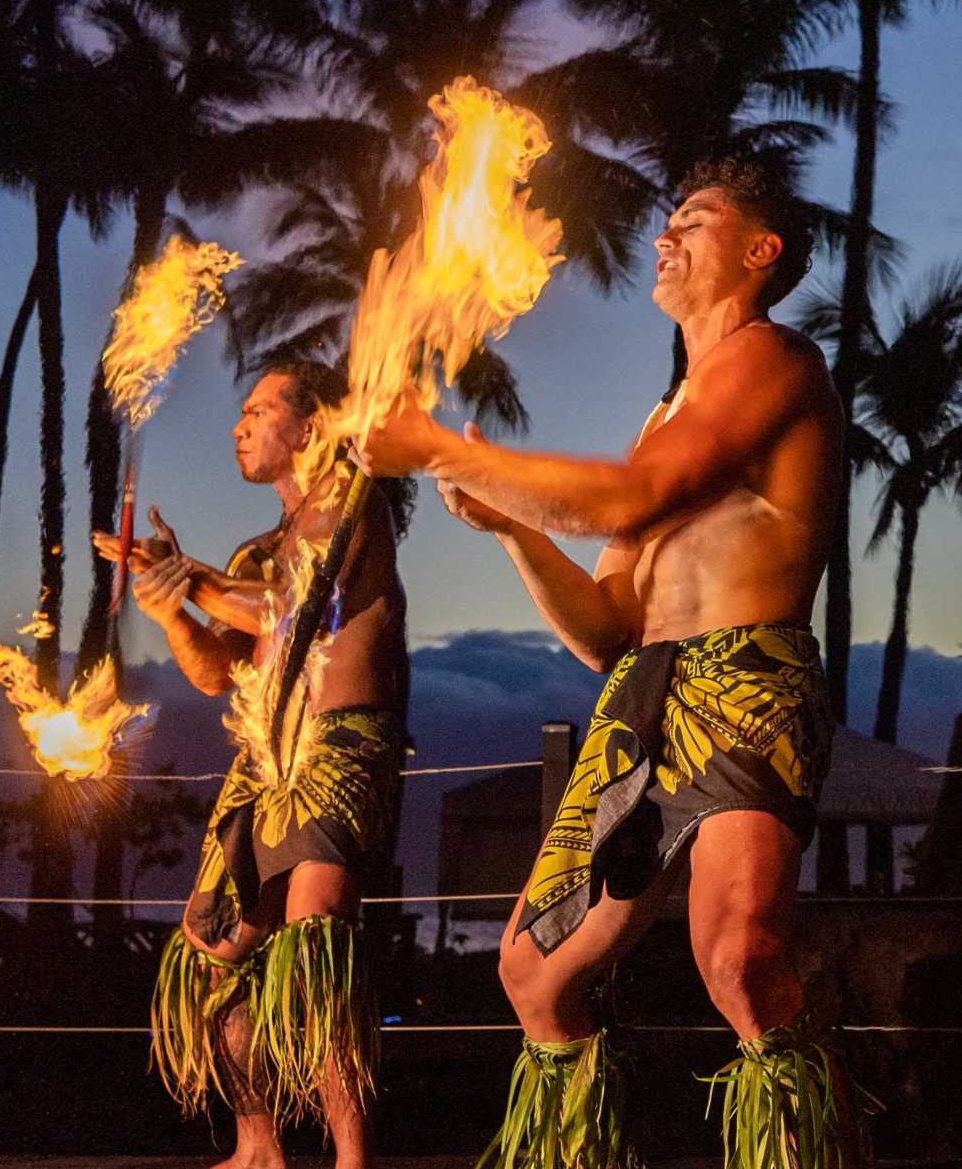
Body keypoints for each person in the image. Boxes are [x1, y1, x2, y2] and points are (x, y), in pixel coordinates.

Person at [364, 149, 865, 1169]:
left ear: (760, 251)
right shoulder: (665, 415)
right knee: (534, 976)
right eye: (667, 214)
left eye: (697, 214)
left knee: (738, 960)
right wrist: (512, 527)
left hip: (744, 685)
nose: (665, 231)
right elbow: (606, 628)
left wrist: (446, 452)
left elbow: (633, 499)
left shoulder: (774, 361)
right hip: (648, 693)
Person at [99, 360, 409, 1169]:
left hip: (338, 745)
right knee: (212, 954)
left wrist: (186, 574)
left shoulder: (350, 500)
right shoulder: (254, 551)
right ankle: (258, 1146)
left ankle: (352, 1158)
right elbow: (217, 672)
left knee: (316, 952)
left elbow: (301, 605)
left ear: (308, 428)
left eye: (257, 410)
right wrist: (170, 609)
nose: (238, 426)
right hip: (259, 764)